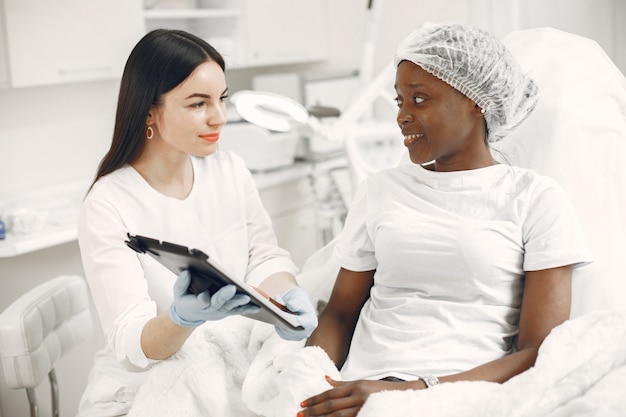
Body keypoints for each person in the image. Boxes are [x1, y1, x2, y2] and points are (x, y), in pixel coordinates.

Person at [298, 21, 592, 417]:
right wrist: (310, 381)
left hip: (461, 397)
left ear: (476, 101)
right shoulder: (380, 190)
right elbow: (339, 314)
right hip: (356, 391)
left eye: (419, 100)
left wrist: (415, 393)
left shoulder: (535, 199)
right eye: (399, 101)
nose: (402, 116)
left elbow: (539, 351)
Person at [76, 29, 317, 416]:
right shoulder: (108, 204)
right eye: (197, 104)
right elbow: (131, 346)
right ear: (150, 110)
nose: (219, 117)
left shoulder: (229, 170)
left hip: (231, 359)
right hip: (151, 382)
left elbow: (264, 255)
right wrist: (181, 319)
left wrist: (287, 297)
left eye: (221, 99)